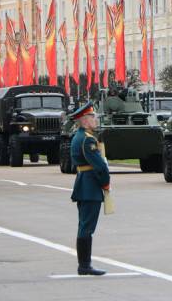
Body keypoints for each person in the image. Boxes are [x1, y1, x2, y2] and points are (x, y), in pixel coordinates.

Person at [69, 101, 110, 276]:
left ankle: (84, 264)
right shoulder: (87, 140)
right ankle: (84, 265)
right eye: (92, 116)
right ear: (85, 120)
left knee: (84, 225)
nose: (95, 119)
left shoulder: (80, 136)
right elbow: (100, 166)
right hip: (90, 186)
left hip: (84, 183)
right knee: (87, 227)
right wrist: (105, 183)